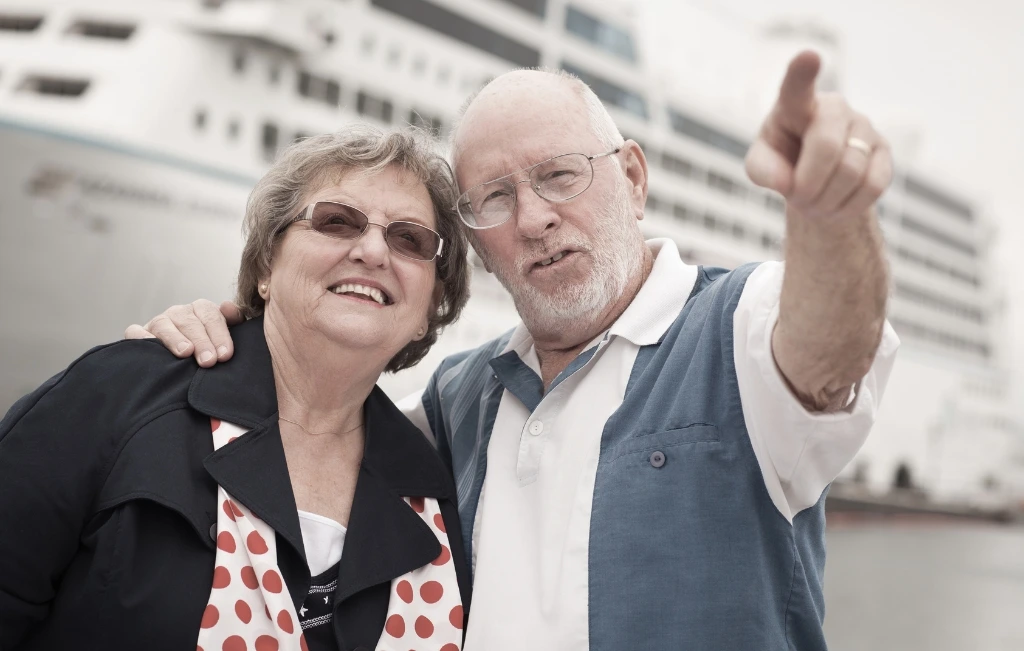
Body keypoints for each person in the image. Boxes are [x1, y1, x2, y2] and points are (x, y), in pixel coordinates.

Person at [128, 52, 899, 650]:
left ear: (631, 178)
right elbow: (309, 425)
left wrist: (830, 215)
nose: (533, 219)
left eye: (560, 176)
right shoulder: (457, 398)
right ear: (476, 245)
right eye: (494, 199)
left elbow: (829, 348)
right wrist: (223, 343)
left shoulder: (734, 331)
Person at [0, 126, 473, 650]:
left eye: (410, 239)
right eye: (337, 221)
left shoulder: (438, 495)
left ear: (429, 309)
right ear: (267, 264)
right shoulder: (119, 398)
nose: (373, 251)